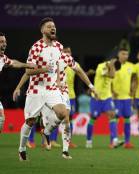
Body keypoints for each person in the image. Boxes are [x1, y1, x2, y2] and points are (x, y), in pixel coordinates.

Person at [17, 17, 96, 161]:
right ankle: (22, 149)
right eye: (49, 27)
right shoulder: (36, 47)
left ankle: (47, 132)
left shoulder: (59, 47)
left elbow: (62, 66)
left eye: (54, 26)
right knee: (30, 121)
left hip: (51, 89)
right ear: (42, 30)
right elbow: (28, 71)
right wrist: (44, 69)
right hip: (36, 89)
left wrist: (59, 80)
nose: (53, 28)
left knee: (63, 113)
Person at [0, 32, 35, 133]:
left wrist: (27, 65)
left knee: (1, 119)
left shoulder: (3, 58)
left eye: (5, 42)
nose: (4, 44)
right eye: (1, 42)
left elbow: (14, 63)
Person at [86, 58, 123, 149]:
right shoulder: (101, 66)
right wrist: (111, 65)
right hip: (96, 97)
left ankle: (114, 140)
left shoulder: (111, 67)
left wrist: (113, 91)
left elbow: (110, 79)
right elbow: (111, 75)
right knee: (93, 118)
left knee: (112, 115)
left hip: (107, 97)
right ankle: (89, 140)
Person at [111, 48, 135, 148]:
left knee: (127, 118)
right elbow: (108, 79)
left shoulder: (131, 66)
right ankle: (113, 141)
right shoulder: (113, 65)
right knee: (114, 119)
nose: (125, 56)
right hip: (116, 98)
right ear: (118, 54)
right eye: (123, 54)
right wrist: (112, 91)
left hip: (127, 98)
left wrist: (132, 91)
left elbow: (134, 79)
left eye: (126, 54)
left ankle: (127, 142)